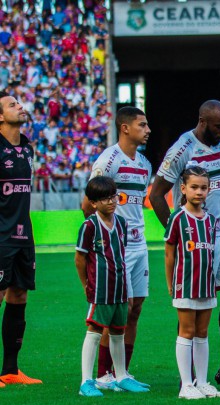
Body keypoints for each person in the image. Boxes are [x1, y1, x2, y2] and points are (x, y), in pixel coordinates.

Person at [149, 101, 220, 390]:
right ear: (203, 122)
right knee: (192, 305)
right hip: (197, 237)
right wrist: (178, 230)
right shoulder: (182, 149)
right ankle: (191, 376)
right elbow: (157, 195)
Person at [83, 107, 151, 390]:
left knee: (134, 308)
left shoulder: (144, 164)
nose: (148, 130)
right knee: (111, 309)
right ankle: (102, 373)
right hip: (115, 247)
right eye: (142, 124)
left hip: (140, 243)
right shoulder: (108, 160)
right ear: (125, 128)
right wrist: (101, 242)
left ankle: (123, 372)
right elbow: (89, 203)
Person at [75, 176, 150, 396]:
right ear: (93, 203)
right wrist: (86, 284)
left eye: (113, 197)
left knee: (118, 331)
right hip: (100, 289)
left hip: (119, 288)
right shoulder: (89, 226)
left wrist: (127, 289)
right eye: (105, 199)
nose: (111, 202)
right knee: (95, 330)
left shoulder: (122, 223)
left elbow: (120, 256)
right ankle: (86, 381)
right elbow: (80, 259)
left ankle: (121, 376)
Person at [164, 166, 220, 400]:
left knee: (202, 332)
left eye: (203, 187)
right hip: (185, 283)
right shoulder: (178, 218)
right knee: (187, 331)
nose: (199, 192)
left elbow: (212, 253)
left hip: (206, 284)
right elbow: (169, 253)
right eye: (194, 187)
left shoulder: (211, 220)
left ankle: (202, 382)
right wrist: (170, 282)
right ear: (183, 189)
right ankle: (186, 385)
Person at [0, 91, 40, 386]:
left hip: (23, 234)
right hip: (0, 236)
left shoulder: (26, 148)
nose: (20, 106)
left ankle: (11, 370)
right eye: (12, 104)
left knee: (19, 295)